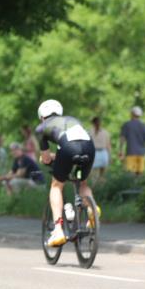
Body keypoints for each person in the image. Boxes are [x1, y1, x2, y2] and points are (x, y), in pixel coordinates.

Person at [35, 100, 98, 247]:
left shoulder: (41, 128)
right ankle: (92, 209)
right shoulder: (72, 119)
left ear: (42, 116)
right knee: (83, 182)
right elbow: (75, 144)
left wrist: (48, 159)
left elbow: (45, 158)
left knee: (56, 186)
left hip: (67, 147)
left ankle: (58, 230)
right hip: (89, 146)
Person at [119, 106, 145, 176]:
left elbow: (122, 139)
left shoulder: (127, 125)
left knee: (130, 176)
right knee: (140, 177)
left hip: (130, 154)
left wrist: (121, 151)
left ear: (132, 114)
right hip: (141, 155)